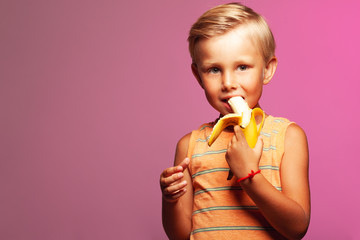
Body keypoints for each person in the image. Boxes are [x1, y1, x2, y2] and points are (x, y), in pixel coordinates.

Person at [160, 2, 310, 240]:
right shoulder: (190, 146)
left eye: (242, 67)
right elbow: (179, 235)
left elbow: (297, 227)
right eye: (214, 70)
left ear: (267, 70)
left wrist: (250, 176)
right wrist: (171, 200)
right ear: (198, 75)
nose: (228, 82)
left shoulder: (288, 137)